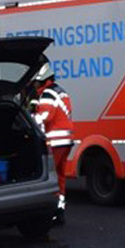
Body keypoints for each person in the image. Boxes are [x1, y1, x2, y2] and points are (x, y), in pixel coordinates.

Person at [32, 62, 74, 226]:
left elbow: (45, 117)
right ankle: (59, 210)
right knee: (59, 177)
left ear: (42, 80)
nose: (34, 85)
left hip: (56, 141)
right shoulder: (59, 91)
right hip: (65, 140)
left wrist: (30, 116)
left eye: (35, 82)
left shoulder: (48, 94)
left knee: (50, 178)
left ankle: (49, 212)